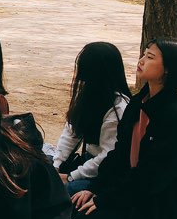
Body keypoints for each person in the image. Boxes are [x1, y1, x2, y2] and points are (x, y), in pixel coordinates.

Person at [71, 39, 177, 219]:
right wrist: (95, 189)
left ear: (168, 69)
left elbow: (155, 177)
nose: (141, 61)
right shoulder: (138, 102)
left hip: (163, 207)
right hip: (133, 190)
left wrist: (106, 199)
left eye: (150, 57)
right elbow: (119, 155)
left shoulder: (174, 113)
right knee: (77, 204)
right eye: (143, 55)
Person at [52, 42, 131, 195]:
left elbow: (107, 157)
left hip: (108, 172)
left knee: (64, 192)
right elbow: (71, 132)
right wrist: (56, 165)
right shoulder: (89, 95)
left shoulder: (119, 108)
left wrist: (70, 177)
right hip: (88, 162)